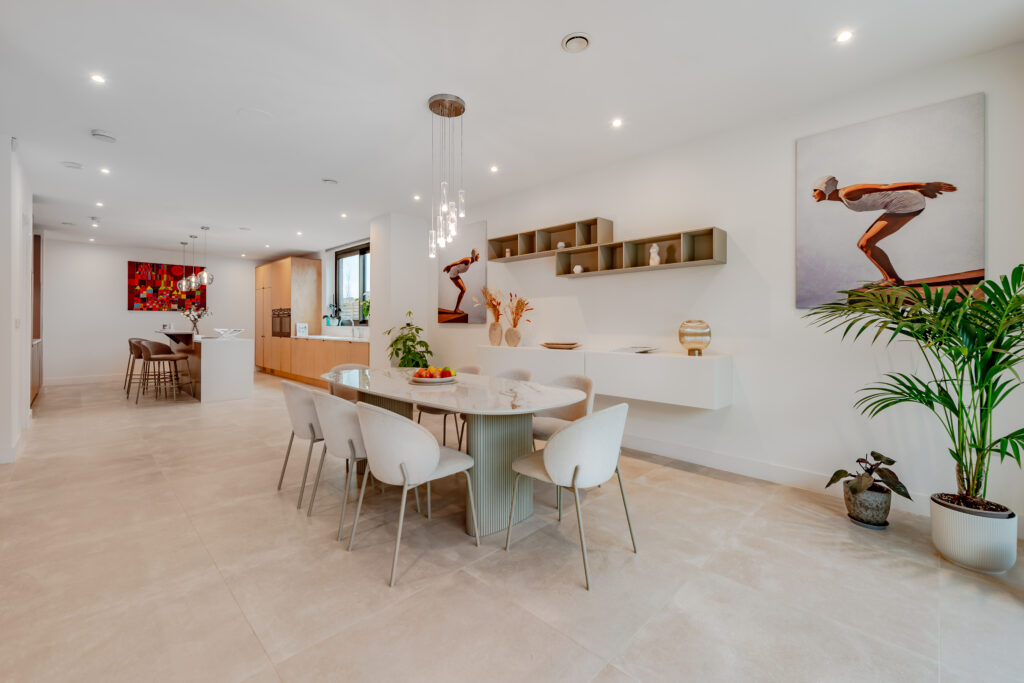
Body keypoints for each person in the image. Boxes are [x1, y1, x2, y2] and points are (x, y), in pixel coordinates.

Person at [813, 175, 957, 285]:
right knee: (864, 244)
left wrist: (924, 185)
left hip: (907, 204)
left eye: (815, 190)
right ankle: (889, 278)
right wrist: (917, 190)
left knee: (866, 244)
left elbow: (886, 187)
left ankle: (894, 280)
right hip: (900, 203)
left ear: (825, 188)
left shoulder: (847, 192)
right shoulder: (843, 199)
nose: (813, 194)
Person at [442, 248, 479, 314]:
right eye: (478, 254)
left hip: (455, 273)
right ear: (475, 255)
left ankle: (456, 309)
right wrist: (448, 266)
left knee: (463, 290)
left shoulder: (471, 261)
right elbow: (458, 262)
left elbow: (458, 265)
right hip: (453, 273)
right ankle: (456, 309)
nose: (479, 256)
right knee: (463, 290)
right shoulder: (467, 260)